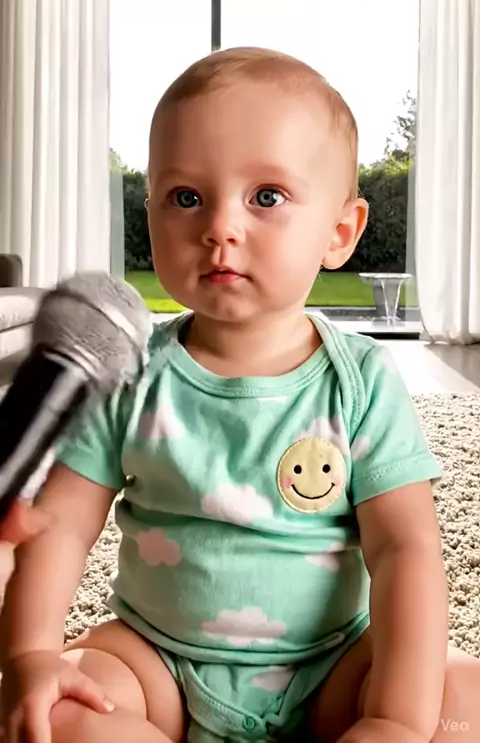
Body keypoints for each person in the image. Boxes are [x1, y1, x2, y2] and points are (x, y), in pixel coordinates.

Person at [1, 47, 479, 743]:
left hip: (332, 667)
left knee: (462, 697)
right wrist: (30, 655)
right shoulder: (130, 374)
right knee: (51, 713)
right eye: (186, 198)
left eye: (267, 197)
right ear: (151, 212)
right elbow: (62, 525)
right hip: (157, 664)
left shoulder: (361, 381)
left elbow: (405, 548)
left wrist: (396, 719)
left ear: (340, 233)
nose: (219, 227)